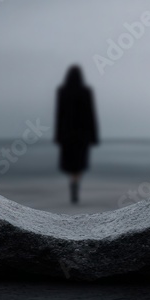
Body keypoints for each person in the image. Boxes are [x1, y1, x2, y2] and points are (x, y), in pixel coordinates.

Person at [54, 65, 98, 204]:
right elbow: (91, 115)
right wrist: (94, 136)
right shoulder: (86, 91)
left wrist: (58, 136)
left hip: (67, 134)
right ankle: (75, 184)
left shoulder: (62, 91)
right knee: (79, 164)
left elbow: (59, 115)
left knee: (71, 164)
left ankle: (73, 184)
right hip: (82, 135)